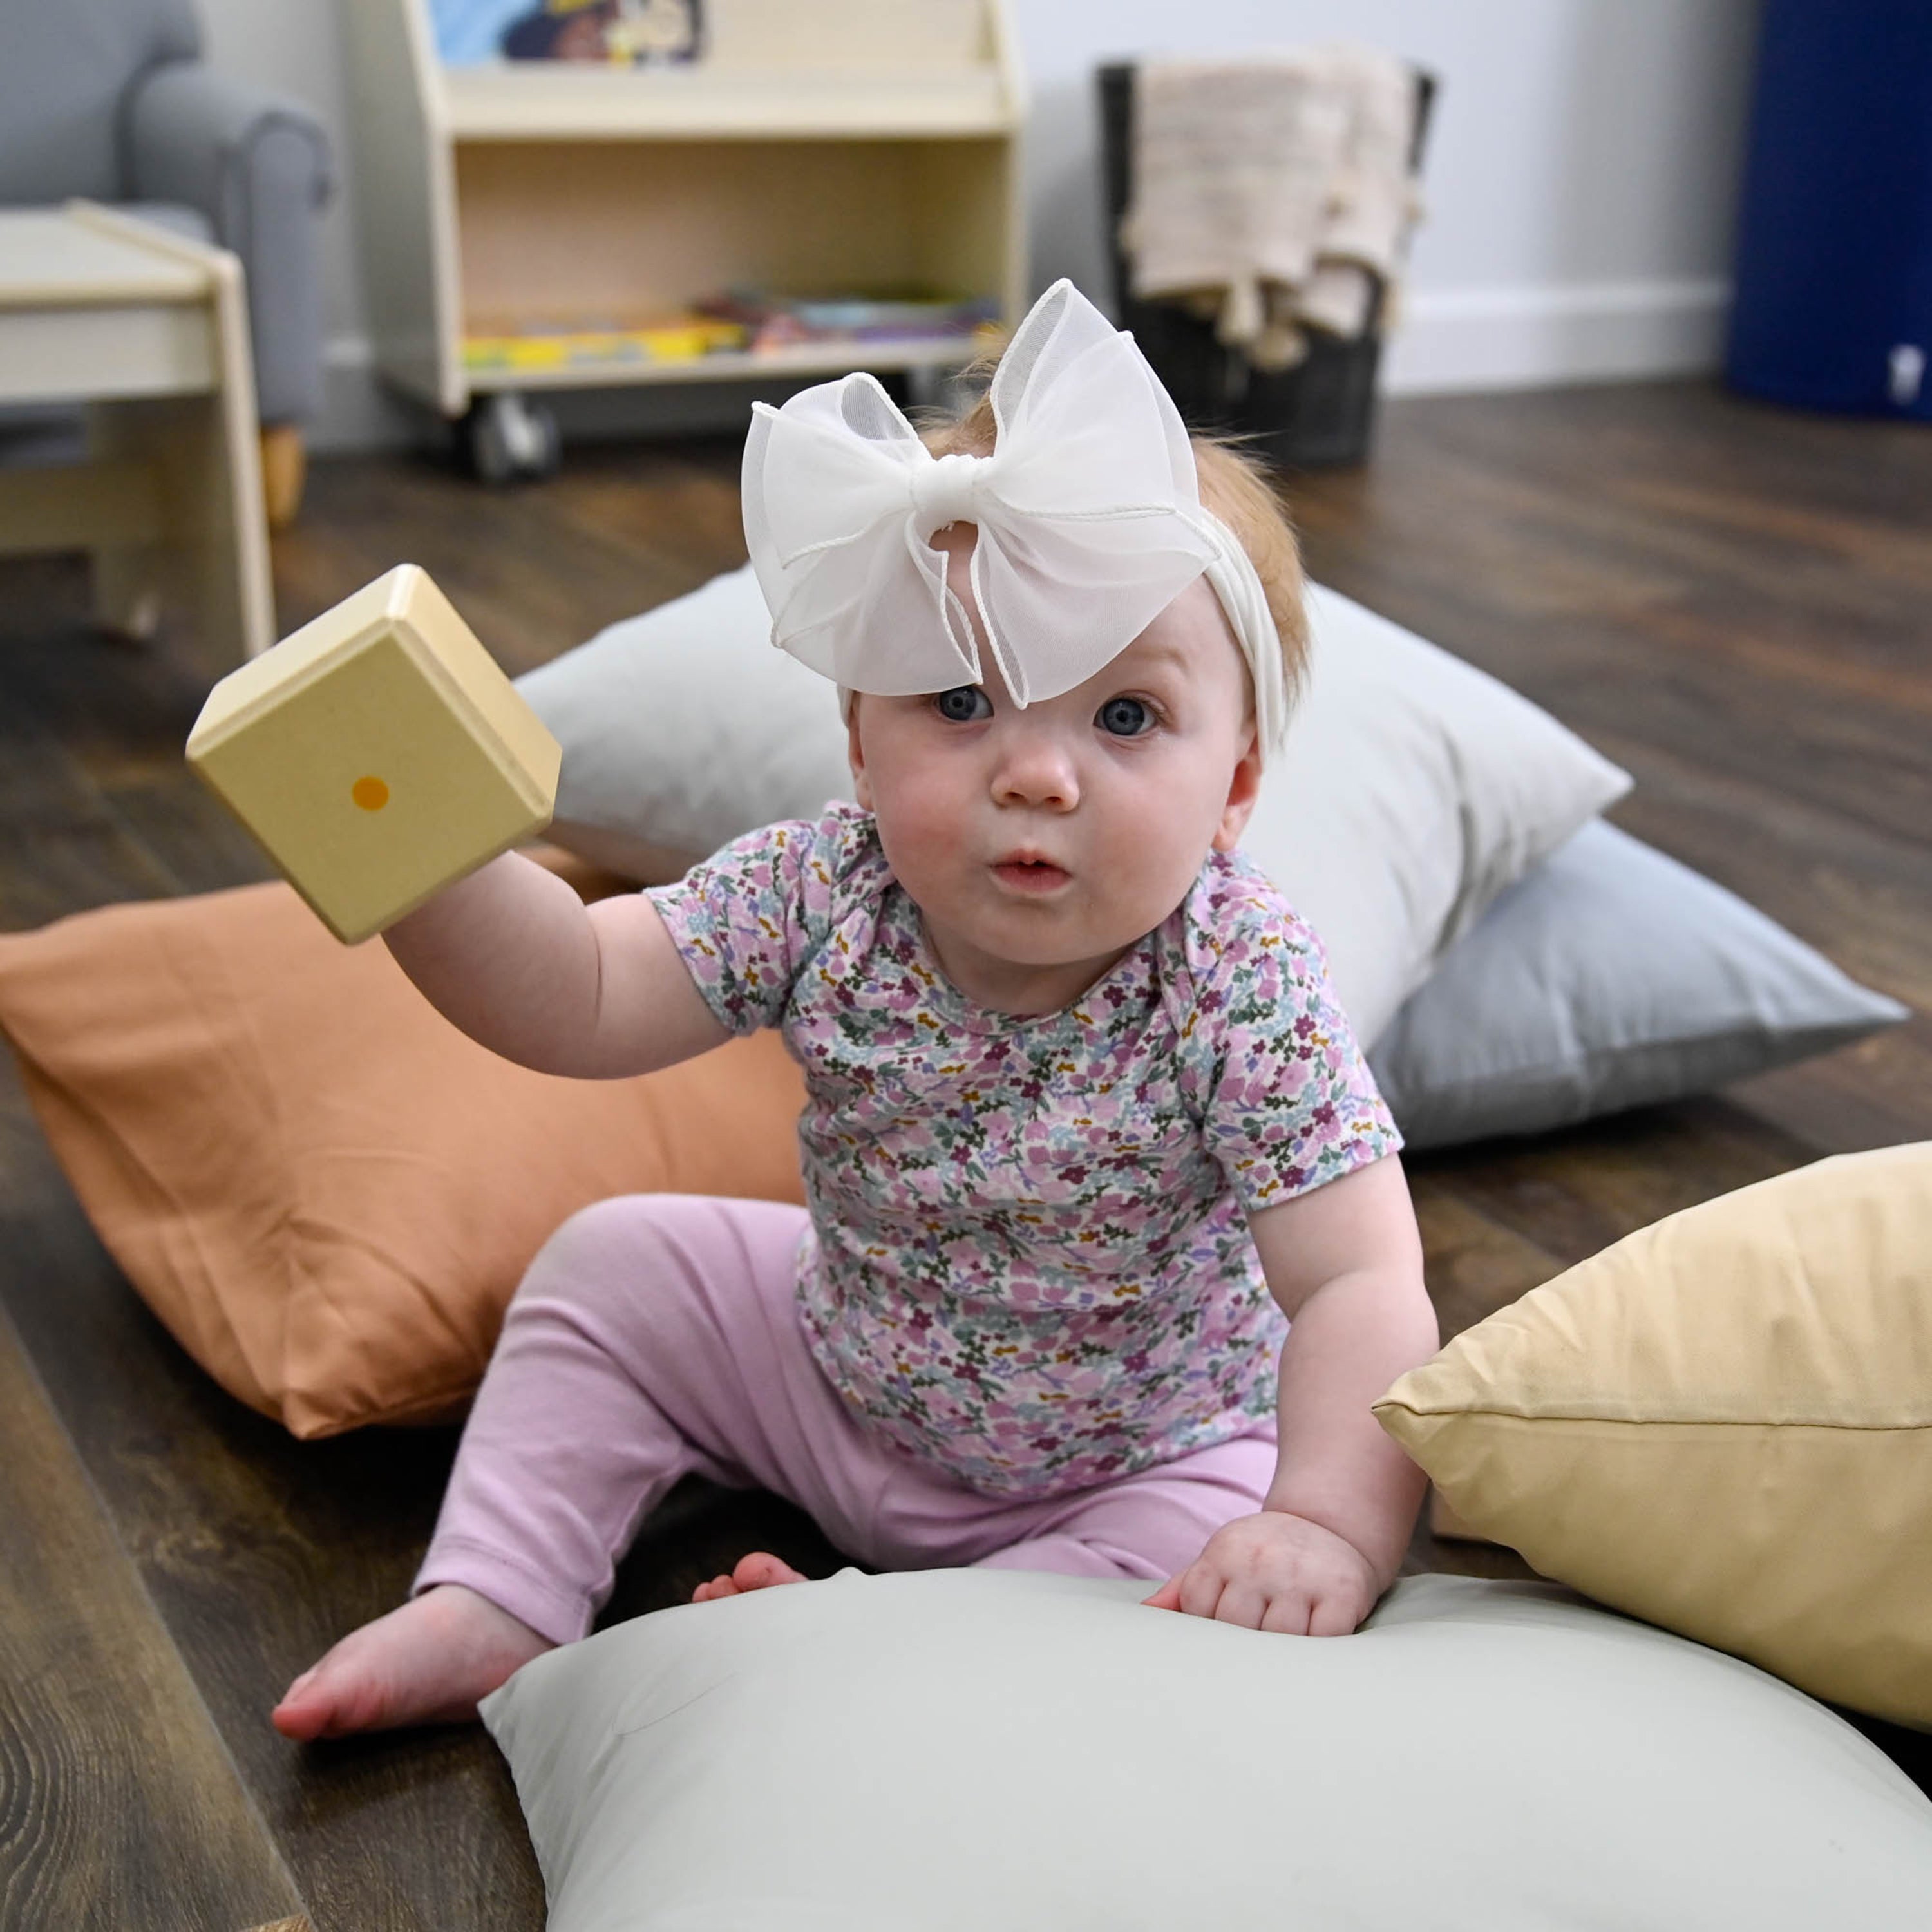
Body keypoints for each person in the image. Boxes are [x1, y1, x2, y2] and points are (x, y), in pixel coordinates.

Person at [272, 281, 1439, 1742]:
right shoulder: (825, 886)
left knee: (1188, 1574)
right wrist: (417, 858)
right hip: (836, 1375)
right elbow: (577, 993)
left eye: (1123, 717)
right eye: (960, 701)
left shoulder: (1239, 977)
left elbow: (1358, 1284)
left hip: (1136, 1461)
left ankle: (864, 1645)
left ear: (1239, 791)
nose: (1036, 774)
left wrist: (1325, 1524)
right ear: (859, 740)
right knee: (616, 1262)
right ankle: (499, 1595)